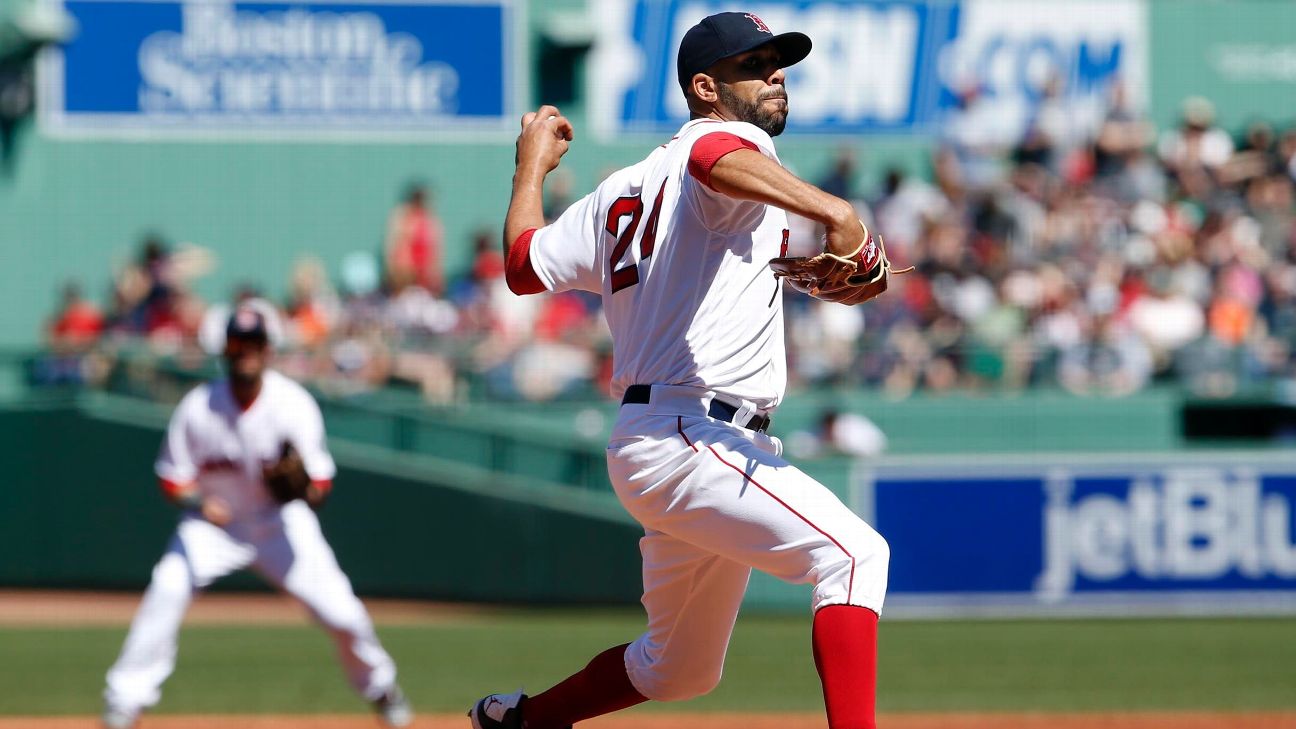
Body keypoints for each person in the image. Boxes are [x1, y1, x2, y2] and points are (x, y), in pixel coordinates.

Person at [470, 11, 889, 729]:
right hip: (693, 431)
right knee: (853, 555)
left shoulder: (620, 191)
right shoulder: (724, 153)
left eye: (777, 61)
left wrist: (530, 170)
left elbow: (522, 265)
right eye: (754, 65)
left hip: (672, 440)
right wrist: (837, 208)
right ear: (704, 87)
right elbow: (710, 157)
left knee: (681, 666)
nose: (775, 74)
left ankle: (524, 721)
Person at [101, 305, 412, 729]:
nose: (245, 351)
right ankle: (124, 701)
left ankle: (382, 689)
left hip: (279, 524)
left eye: (254, 343)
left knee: (344, 614)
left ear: (268, 350)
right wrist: (198, 503)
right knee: (167, 590)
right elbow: (171, 478)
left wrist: (302, 487)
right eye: (237, 343)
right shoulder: (198, 407)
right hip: (212, 529)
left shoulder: (293, 404)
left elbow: (321, 486)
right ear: (224, 349)